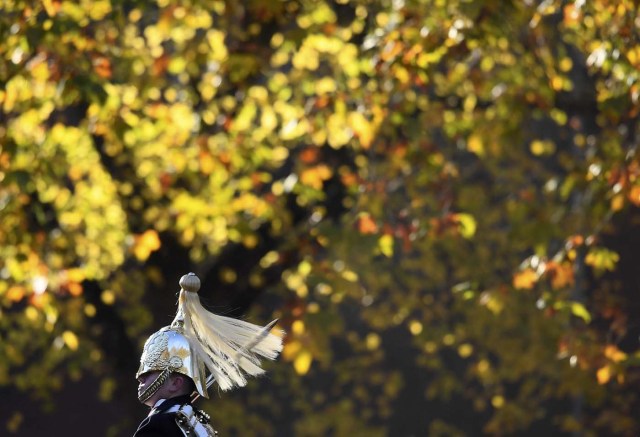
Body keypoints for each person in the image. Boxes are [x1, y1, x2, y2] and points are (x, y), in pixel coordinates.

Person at [133, 273, 283, 436]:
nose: (140, 378)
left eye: (149, 372)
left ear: (175, 383)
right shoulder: (198, 424)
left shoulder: (158, 425)